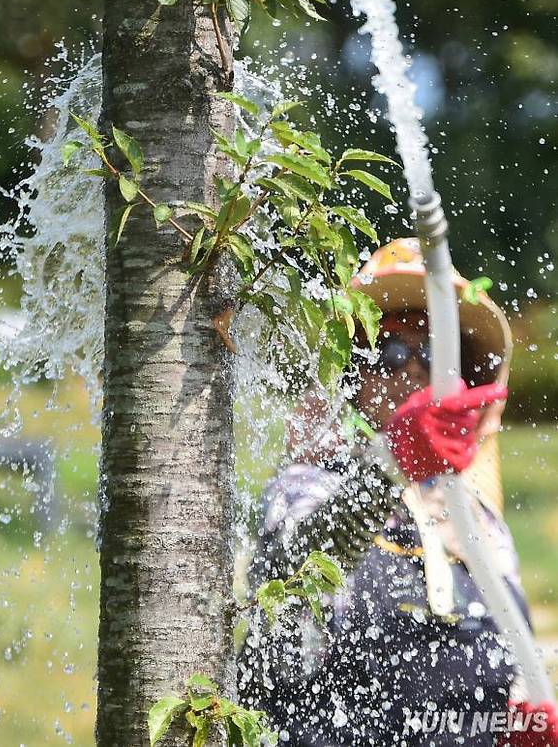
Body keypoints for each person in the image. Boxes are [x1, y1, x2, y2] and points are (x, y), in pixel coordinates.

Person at [238, 238, 558, 747]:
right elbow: (293, 566)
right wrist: (392, 462)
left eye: (431, 352)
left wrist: (523, 721)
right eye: (389, 350)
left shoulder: (477, 517)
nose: (412, 368)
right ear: (353, 375)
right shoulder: (306, 485)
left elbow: (512, 660)